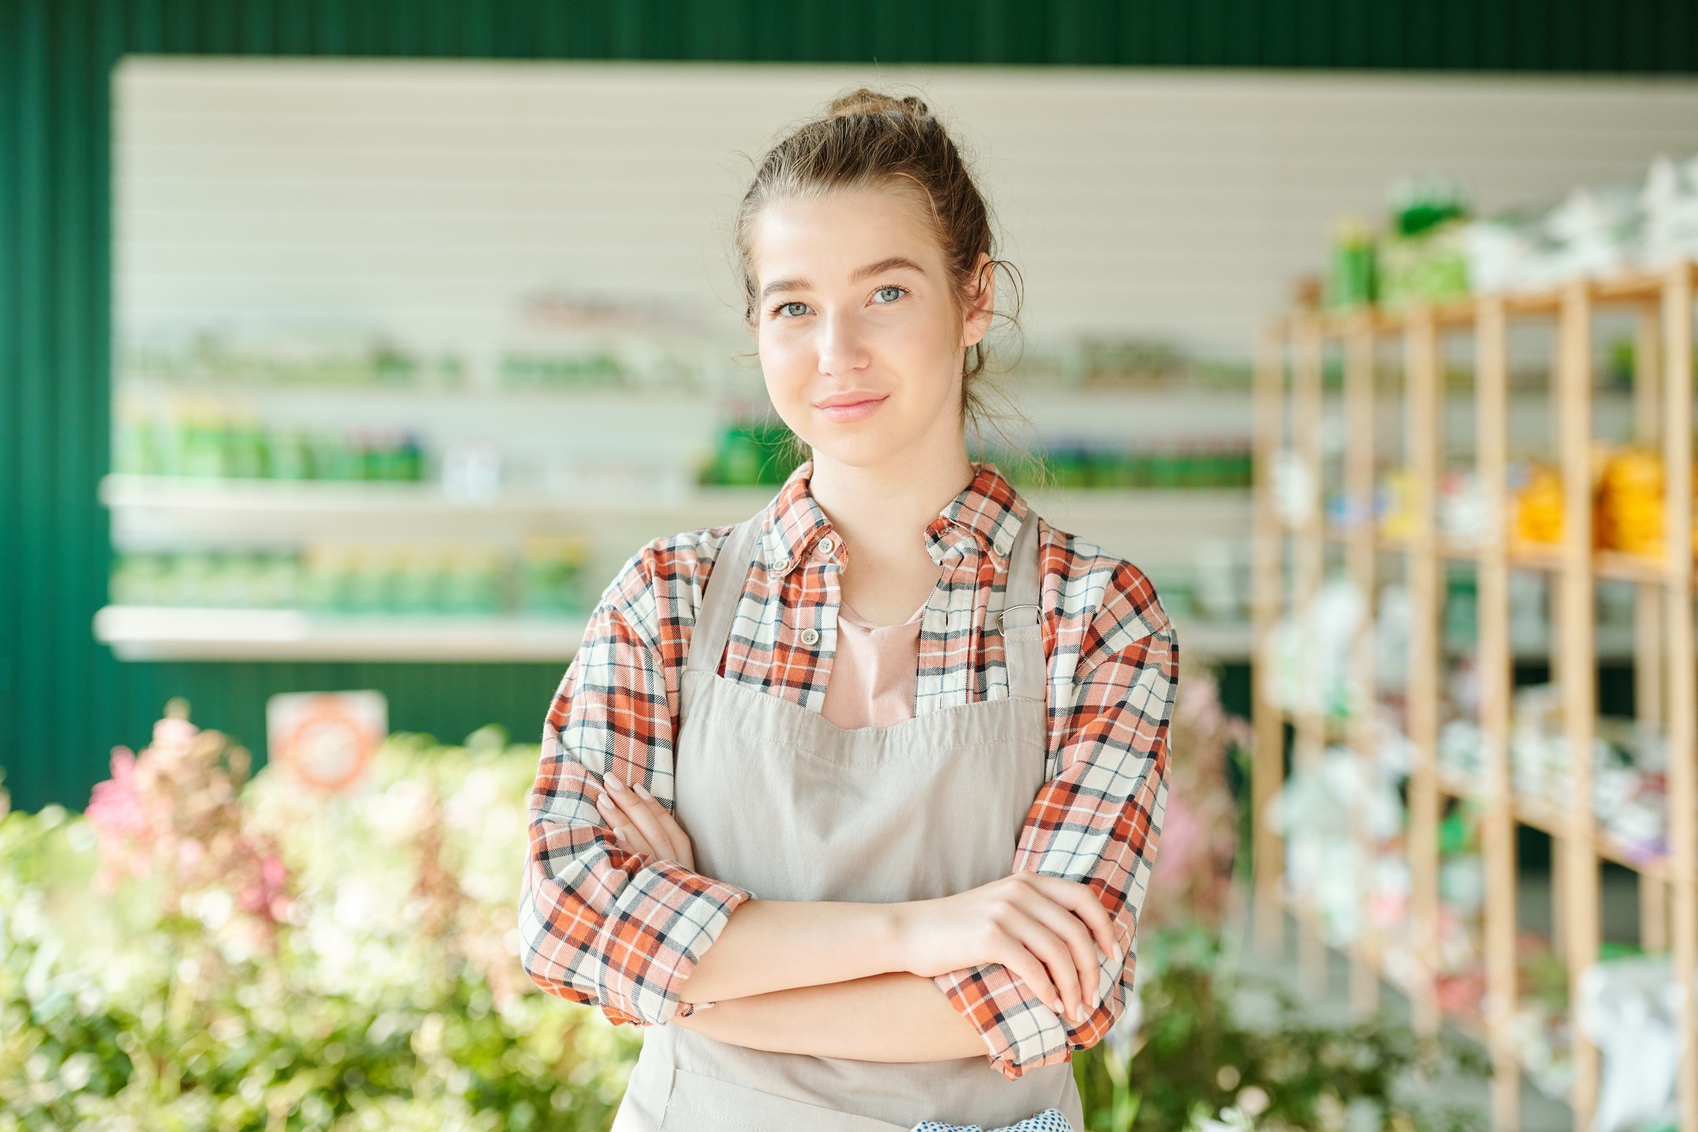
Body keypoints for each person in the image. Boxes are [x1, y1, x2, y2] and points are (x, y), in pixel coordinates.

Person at [519, 89, 1176, 1132]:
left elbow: (1051, 991)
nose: (836, 350)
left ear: (975, 300)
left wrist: (692, 973)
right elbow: (569, 923)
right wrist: (925, 933)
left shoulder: (1096, 619)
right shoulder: (667, 600)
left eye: (885, 294)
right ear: (755, 326)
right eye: (792, 305)